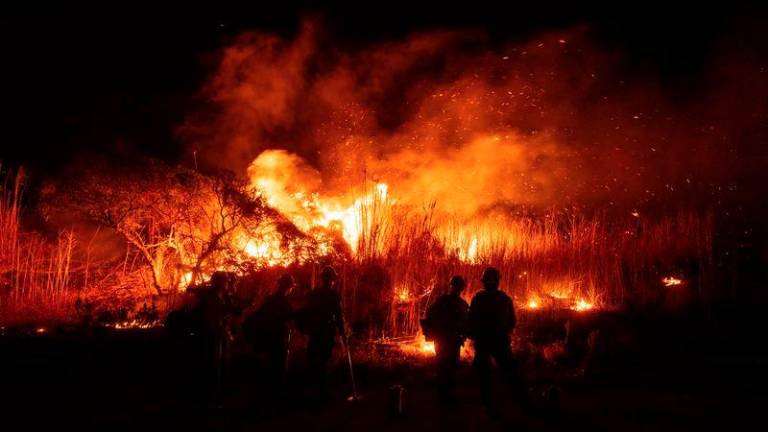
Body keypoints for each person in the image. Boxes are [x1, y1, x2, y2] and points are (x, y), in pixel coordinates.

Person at [468, 267, 528, 415]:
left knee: (484, 374)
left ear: (484, 282)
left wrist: (473, 334)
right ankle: (523, 401)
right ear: (497, 282)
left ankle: (488, 404)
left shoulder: (478, 298)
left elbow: (470, 320)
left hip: (483, 340)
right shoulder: (505, 298)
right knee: (510, 371)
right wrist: (504, 331)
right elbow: (512, 321)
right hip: (500, 340)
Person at [243, 274, 295, 397]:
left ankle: (265, 395)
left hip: (269, 340)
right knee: (279, 369)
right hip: (279, 340)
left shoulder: (270, 299)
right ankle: (275, 397)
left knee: (270, 366)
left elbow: (259, 315)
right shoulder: (284, 302)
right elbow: (291, 318)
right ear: (289, 287)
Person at [298, 265, 346, 395]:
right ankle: (320, 389)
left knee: (312, 358)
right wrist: (342, 332)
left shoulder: (314, 294)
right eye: (332, 279)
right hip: (326, 332)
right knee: (323, 360)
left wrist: (304, 329)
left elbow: (306, 312)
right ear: (332, 280)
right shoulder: (333, 295)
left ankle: (309, 388)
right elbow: (339, 315)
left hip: (315, 332)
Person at [422, 275, 469, 403]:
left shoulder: (442, 301)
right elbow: (466, 323)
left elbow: (429, 314)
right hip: (451, 341)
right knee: (450, 367)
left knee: (443, 366)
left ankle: (443, 395)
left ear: (451, 286)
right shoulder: (461, 304)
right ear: (462, 288)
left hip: (443, 340)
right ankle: (448, 395)